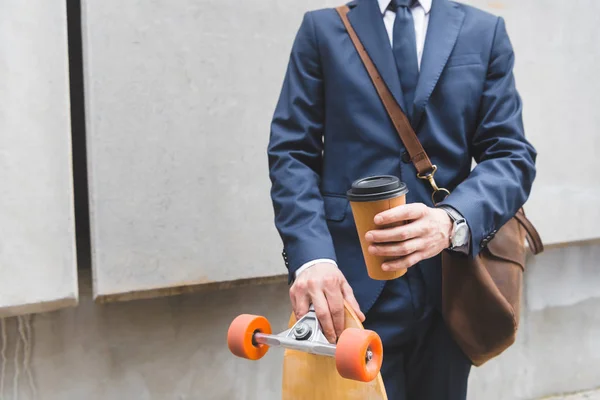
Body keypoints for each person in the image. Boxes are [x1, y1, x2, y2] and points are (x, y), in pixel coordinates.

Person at [267, 0, 537, 398]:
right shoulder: (322, 29)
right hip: (348, 291)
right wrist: (313, 258)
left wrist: (451, 221)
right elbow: (292, 153)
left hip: (451, 289)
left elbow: (511, 155)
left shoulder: (485, 30)